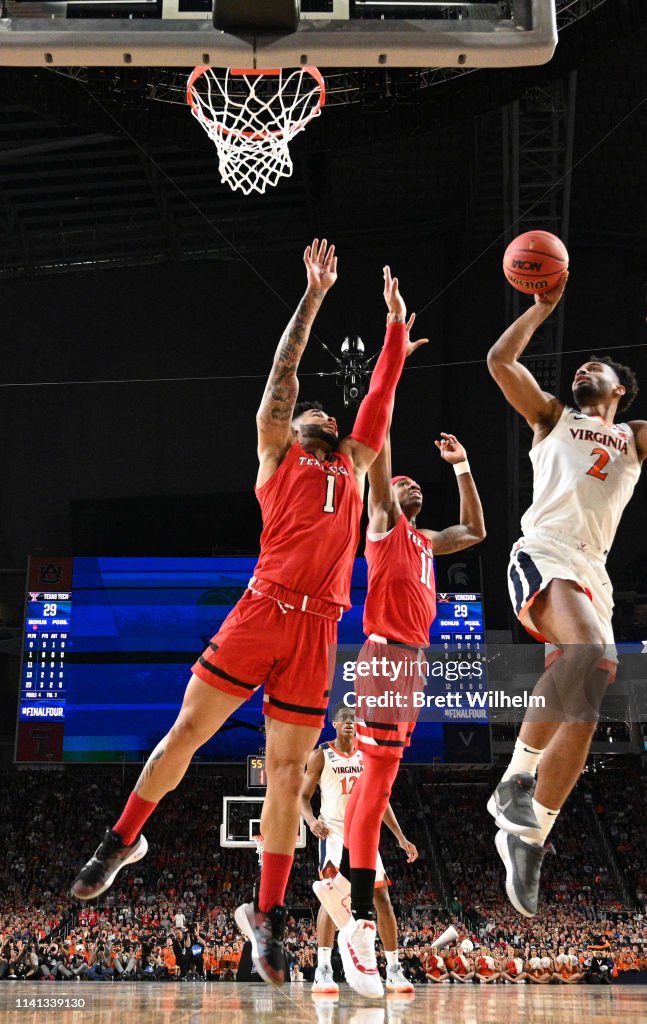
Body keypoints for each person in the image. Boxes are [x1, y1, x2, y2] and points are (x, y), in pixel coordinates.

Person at [70, 242, 413, 986]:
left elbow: (379, 406)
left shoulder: (352, 464)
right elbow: (283, 379)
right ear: (290, 430)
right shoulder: (276, 455)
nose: (318, 413)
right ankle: (121, 839)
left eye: (326, 411)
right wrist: (315, 294)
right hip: (262, 610)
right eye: (307, 413)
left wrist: (392, 336)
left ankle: (269, 915)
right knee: (186, 732)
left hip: (318, 628)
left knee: (287, 777)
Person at [486, 282, 647, 917]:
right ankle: (516, 782)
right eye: (581, 366)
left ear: (618, 390)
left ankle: (529, 835)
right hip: (546, 551)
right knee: (585, 654)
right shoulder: (554, 417)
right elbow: (501, 363)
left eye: (596, 368)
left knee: (585, 706)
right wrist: (541, 308)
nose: (584, 368)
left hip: (593, 572)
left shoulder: (633, 435)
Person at [315, 325, 486, 997]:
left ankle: (351, 902)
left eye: (419, 484)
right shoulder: (385, 522)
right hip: (385, 655)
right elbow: (379, 450)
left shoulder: (428, 540)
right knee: (371, 783)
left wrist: (463, 467)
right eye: (403, 482)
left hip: (413, 665)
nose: (409, 484)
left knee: (379, 786)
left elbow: (474, 531)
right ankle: (357, 917)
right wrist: (385, 373)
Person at [300, 703, 418, 995]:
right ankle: (323, 970)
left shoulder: (369, 755)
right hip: (334, 831)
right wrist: (312, 821)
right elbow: (302, 796)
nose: (350, 722)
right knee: (332, 895)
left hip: (364, 831)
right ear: (335, 725)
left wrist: (401, 837)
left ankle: (393, 969)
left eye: (354, 719)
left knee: (382, 898)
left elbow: (382, 799)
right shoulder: (321, 754)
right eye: (344, 719)